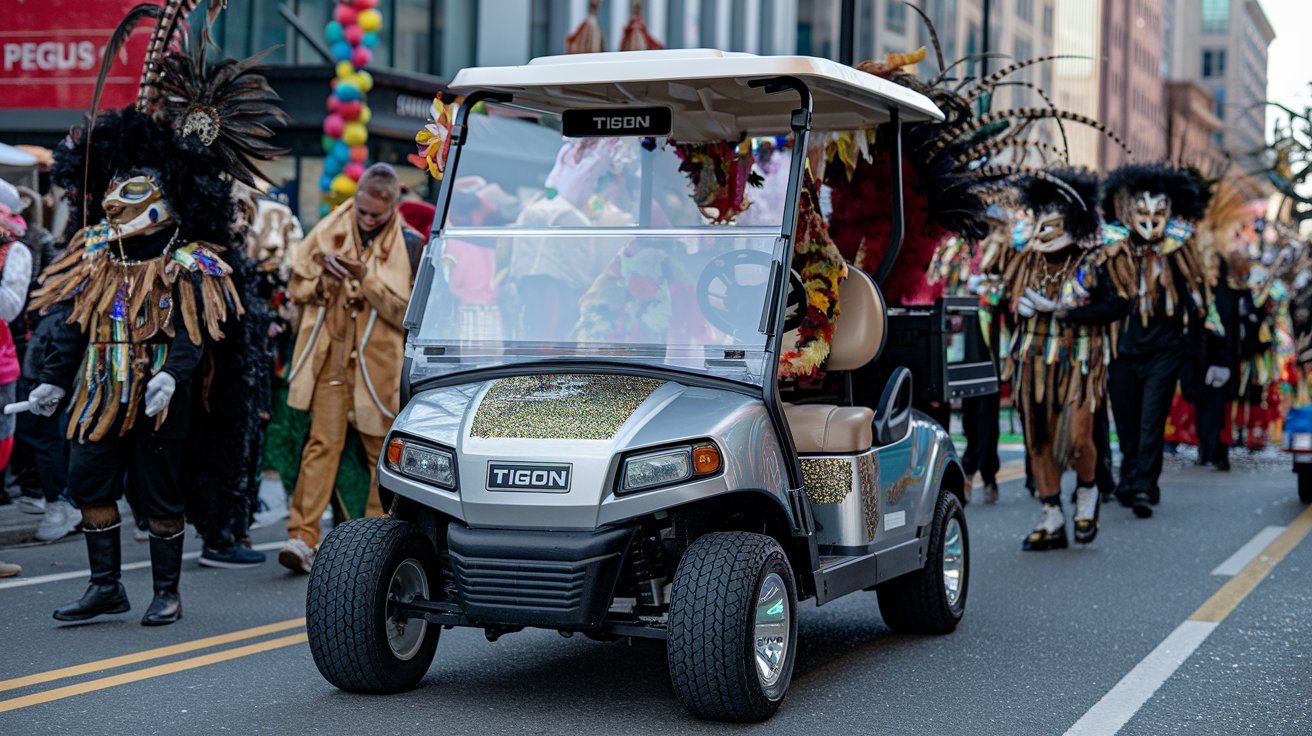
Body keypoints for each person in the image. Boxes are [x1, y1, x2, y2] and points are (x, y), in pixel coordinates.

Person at [26, 6, 285, 625]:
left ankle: (166, 590)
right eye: (118, 184)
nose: (120, 197)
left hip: (157, 396)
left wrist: (173, 373)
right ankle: (105, 585)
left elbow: (195, 331)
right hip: (97, 390)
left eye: (137, 186)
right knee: (89, 478)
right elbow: (70, 323)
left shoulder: (192, 261)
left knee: (160, 494)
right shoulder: (91, 254)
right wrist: (52, 380)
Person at [279, 164, 425, 573]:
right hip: (332, 359)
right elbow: (298, 285)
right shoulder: (328, 230)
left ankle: (378, 541)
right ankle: (301, 537)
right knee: (321, 446)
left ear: (393, 206)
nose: (366, 220)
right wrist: (326, 279)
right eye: (361, 211)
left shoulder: (411, 245)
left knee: (380, 453)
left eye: (375, 215)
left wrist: (370, 282)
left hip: (377, 367)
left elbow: (408, 315)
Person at [997, 170, 1131, 550]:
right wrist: (1018, 308)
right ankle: (1052, 514)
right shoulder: (1026, 258)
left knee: (1076, 437)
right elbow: (1007, 299)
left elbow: (1119, 306)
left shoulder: (1100, 255)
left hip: (1081, 361)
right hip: (1033, 358)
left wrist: (1063, 312)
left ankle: (1087, 494)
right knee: (1038, 437)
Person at [1101, 164, 1209, 519]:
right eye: (1141, 211)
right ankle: (1131, 477)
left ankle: (1145, 486)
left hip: (1165, 348)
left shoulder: (1179, 248)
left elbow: (1197, 297)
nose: (1149, 220)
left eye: (1157, 212)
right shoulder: (1114, 247)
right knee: (1128, 421)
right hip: (1123, 348)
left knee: (1151, 420)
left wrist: (1196, 348)